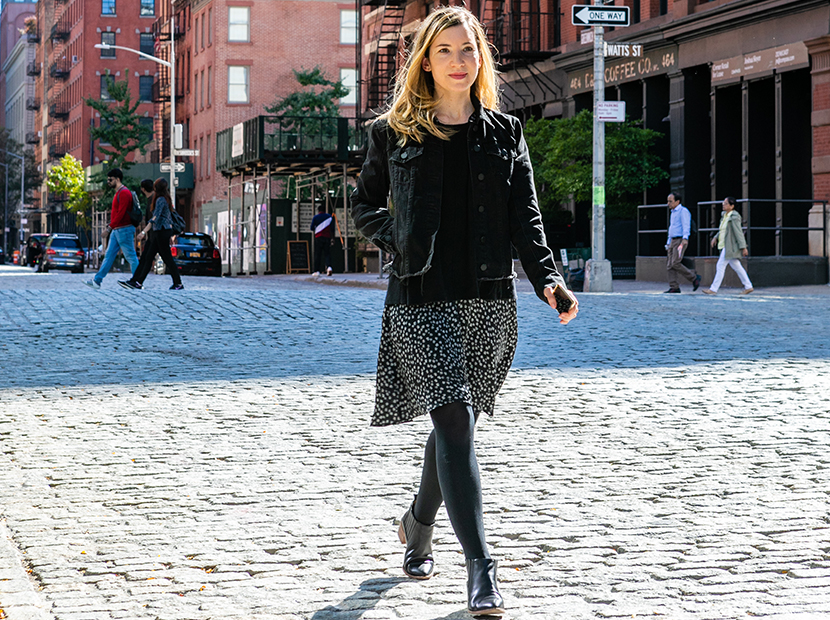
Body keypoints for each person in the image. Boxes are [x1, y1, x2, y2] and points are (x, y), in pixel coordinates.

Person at [350, 7, 578, 616]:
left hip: (486, 299)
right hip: (421, 299)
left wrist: (550, 282)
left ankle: (418, 523)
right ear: (426, 60)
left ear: (481, 61)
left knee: (456, 425)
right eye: (446, 51)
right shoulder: (392, 132)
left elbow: (526, 222)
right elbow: (362, 205)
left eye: (469, 51)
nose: (458, 61)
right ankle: (482, 567)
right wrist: (396, 239)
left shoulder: (505, 133)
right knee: (452, 421)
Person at [118, 178, 183, 290]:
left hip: (161, 232)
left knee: (167, 259)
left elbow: (155, 218)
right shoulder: (162, 199)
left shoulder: (161, 200)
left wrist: (143, 232)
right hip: (159, 233)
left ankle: (178, 283)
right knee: (147, 257)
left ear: (156, 188)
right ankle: (137, 282)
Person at [84, 168, 140, 289]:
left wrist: (109, 228)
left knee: (130, 256)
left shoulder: (124, 193)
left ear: (117, 179)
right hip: (117, 230)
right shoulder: (119, 192)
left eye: (110, 179)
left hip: (124, 229)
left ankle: (137, 281)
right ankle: (97, 281)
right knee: (109, 256)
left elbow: (121, 213)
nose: (108, 182)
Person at [703, 196, 753, 295]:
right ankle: (748, 286)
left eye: (726, 203)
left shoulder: (734, 217)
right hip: (724, 244)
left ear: (732, 206)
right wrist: (716, 237)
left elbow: (738, 232)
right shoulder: (724, 215)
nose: (723, 205)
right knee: (736, 266)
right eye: (723, 203)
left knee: (720, 265)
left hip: (730, 245)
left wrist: (743, 247)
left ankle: (713, 289)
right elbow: (723, 229)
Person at [664, 192, 701, 293]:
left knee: (675, 262)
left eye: (670, 201)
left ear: (677, 201)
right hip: (673, 240)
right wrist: (668, 241)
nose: (668, 203)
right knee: (670, 265)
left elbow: (686, 225)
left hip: (680, 240)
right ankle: (674, 286)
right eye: (668, 201)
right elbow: (671, 227)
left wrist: (685, 238)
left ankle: (694, 278)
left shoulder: (683, 211)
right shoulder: (673, 212)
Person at [310, 205, 335, 276]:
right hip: (327, 237)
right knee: (327, 253)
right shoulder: (330, 217)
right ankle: (329, 267)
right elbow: (332, 229)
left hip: (318, 237)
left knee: (318, 254)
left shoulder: (315, 217)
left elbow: (312, 228)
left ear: (318, 210)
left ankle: (316, 271)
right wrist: (332, 238)